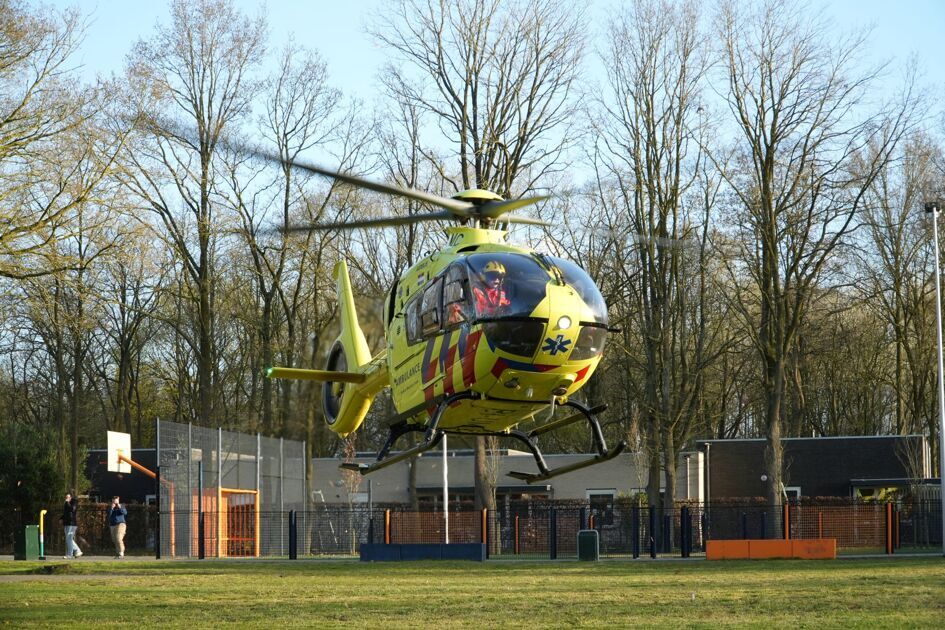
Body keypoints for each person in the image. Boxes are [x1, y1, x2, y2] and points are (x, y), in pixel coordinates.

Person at [60, 492, 83, 559]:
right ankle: (78, 551)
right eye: (66, 497)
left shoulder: (74, 502)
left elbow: (72, 510)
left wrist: (67, 503)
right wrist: (61, 518)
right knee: (68, 539)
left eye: (68, 497)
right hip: (66, 523)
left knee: (69, 538)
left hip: (72, 523)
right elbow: (66, 513)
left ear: (71, 497)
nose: (67, 499)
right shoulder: (66, 504)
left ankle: (69, 554)